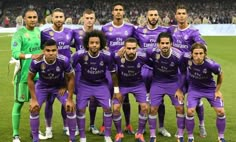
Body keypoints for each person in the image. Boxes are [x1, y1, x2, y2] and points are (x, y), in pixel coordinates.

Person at [168, 4, 207, 137]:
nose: (181, 15)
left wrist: (193, 57)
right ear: (175, 16)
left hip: (191, 72)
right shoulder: (171, 30)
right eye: (179, 13)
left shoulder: (193, 32)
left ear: (187, 15)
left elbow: (203, 46)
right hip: (176, 72)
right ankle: (181, 127)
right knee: (179, 100)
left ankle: (202, 125)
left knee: (197, 101)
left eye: (183, 13)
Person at [28, 39, 77, 142]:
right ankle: (35, 139)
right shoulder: (37, 61)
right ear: (43, 51)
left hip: (58, 87)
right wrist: (33, 99)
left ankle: (72, 138)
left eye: (53, 50)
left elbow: (71, 78)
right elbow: (30, 79)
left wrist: (70, 98)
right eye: (48, 50)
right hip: (42, 87)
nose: (51, 53)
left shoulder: (64, 60)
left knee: (70, 107)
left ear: (57, 51)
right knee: (34, 108)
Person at [71, 30, 116, 142]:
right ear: (87, 44)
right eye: (92, 42)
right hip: (84, 84)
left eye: (97, 42)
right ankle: (82, 137)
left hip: (101, 85)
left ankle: (107, 135)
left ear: (101, 44)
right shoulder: (79, 54)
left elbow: (113, 73)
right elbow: (68, 69)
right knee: (80, 109)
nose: (94, 45)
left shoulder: (107, 56)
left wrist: (116, 90)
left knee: (108, 108)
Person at [134, 8, 171, 137]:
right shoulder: (138, 30)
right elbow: (132, 44)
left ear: (158, 16)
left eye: (156, 15)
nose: (153, 17)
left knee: (160, 100)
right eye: (151, 15)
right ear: (147, 16)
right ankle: (142, 128)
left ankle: (161, 127)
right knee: (142, 100)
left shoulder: (165, 30)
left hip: (159, 70)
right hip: (143, 69)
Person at [101, 2, 135, 135]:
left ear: (124, 12)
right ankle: (105, 124)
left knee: (125, 97)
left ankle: (127, 125)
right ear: (112, 12)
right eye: (116, 10)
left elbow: (136, 44)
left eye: (121, 10)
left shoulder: (130, 28)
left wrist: (126, 49)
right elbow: (101, 44)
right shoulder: (105, 27)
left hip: (125, 67)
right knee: (109, 95)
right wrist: (106, 49)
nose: (119, 12)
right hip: (110, 66)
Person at [41, 8, 75, 138]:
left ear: (64, 18)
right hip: (49, 74)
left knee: (65, 102)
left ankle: (66, 127)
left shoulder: (70, 32)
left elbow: (79, 46)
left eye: (61, 17)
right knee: (48, 102)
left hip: (65, 75)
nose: (59, 19)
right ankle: (48, 129)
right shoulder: (45, 33)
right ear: (52, 18)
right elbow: (41, 51)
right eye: (56, 17)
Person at [183, 43, 226, 142]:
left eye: (201, 53)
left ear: (205, 54)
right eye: (196, 53)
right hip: (194, 88)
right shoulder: (186, 59)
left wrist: (218, 90)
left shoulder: (212, 65)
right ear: (191, 54)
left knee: (221, 111)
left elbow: (221, 74)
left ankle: (221, 137)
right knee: (190, 112)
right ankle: (190, 137)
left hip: (209, 89)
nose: (198, 56)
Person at [11, 8, 42, 142]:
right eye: (29, 17)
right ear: (24, 19)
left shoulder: (39, 32)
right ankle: (16, 135)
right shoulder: (19, 34)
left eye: (34, 17)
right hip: (23, 76)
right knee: (18, 104)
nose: (32, 20)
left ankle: (34, 131)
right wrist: (31, 56)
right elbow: (15, 54)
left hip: (38, 76)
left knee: (36, 104)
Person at [147, 32, 185, 142]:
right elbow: (139, 53)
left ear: (171, 44)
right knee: (153, 108)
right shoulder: (152, 52)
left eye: (167, 43)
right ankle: (153, 135)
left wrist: (180, 89)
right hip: (157, 83)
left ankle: (180, 134)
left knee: (180, 108)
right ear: (158, 44)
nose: (164, 45)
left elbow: (183, 73)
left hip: (173, 83)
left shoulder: (178, 55)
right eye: (162, 43)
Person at [112, 37, 149, 142]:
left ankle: (139, 134)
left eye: (134, 48)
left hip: (138, 84)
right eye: (129, 48)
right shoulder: (117, 56)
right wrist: (116, 90)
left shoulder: (143, 56)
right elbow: (112, 72)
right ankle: (119, 134)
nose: (131, 51)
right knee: (115, 108)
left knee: (145, 107)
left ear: (137, 48)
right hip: (122, 85)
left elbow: (153, 64)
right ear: (124, 48)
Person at [73, 9, 99, 135]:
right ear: (83, 18)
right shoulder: (76, 32)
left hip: (95, 70)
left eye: (91, 18)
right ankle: (78, 126)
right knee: (80, 99)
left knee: (93, 99)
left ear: (95, 19)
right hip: (79, 70)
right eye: (87, 18)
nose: (89, 20)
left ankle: (92, 125)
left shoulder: (98, 33)